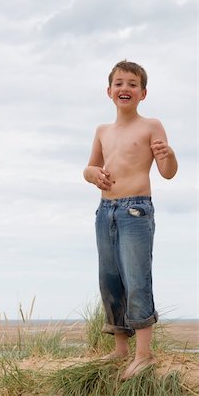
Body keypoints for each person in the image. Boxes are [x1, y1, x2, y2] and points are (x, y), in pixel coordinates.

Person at [83, 60, 178, 380]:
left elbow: (167, 173)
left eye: (133, 84)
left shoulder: (151, 125)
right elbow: (89, 168)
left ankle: (144, 355)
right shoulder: (102, 131)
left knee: (137, 278)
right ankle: (121, 349)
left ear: (143, 93)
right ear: (109, 91)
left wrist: (169, 155)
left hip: (136, 210)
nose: (125, 88)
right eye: (119, 83)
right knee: (109, 278)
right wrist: (93, 173)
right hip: (105, 210)